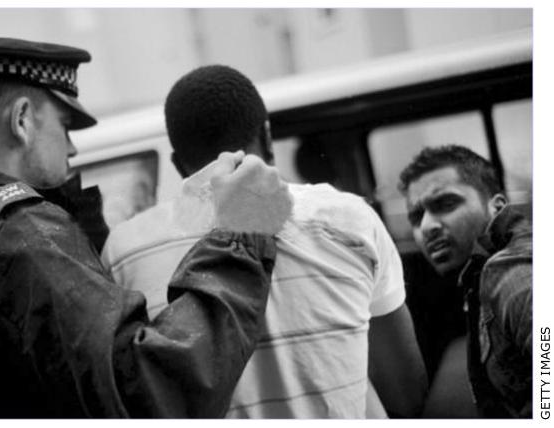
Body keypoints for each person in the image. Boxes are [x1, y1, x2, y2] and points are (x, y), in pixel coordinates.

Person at [0, 37, 294, 418]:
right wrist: (244, 226)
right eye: (65, 126)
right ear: (22, 119)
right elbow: (152, 390)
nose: (72, 148)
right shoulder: (19, 231)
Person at [102, 65, 427, 418]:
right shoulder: (349, 219)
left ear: (178, 164)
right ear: (268, 137)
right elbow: (404, 393)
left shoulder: (124, 251)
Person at [398, 145, 532, 418]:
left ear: (497, 207)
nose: (427, 227)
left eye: (446, 204)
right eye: (416, 216)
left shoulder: (513, 276)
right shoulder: (482, 271)